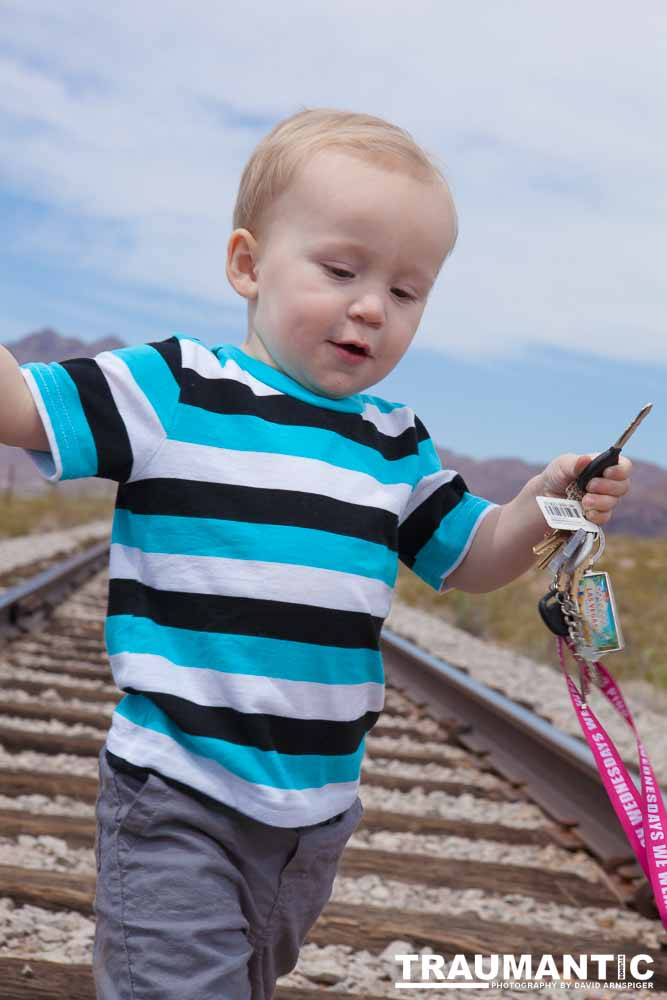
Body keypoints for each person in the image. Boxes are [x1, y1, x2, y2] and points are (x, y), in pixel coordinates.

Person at [0, 108, 631, 999]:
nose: (371, 306)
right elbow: (20, 406)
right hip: (178, 791)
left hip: (315, 818)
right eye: (340, 271)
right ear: (247, 265)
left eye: (406, 292)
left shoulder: (393, 442)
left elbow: (474, 558)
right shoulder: (175, 388)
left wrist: (546, 502)